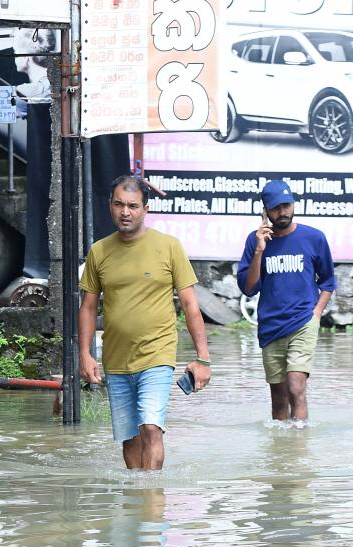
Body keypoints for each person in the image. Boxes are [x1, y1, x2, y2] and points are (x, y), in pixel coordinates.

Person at [78, 175, 211, 470]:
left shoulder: (169, 247)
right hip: (116, 359)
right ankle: (138, 495)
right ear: (110, 206)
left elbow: (190, 305)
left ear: (145, 209)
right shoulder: (99, 251)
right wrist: (85, 354)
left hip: (157, 355)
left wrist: (203, 357)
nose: (125, 212)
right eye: (119, 204)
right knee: (130, 439)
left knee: (151, 427)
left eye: (133, 206)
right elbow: (88, 307)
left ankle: (152, 497)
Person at [237, 179, 335, 422]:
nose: (282, 212)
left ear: (293, 205)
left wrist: (316, 313)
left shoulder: (314, 237)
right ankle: (281, 445)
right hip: (271, 325)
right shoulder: (254, 241)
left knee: (295, 386)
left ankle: (299, 443)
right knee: (279, 397)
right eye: (276, 208)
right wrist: (259, 250)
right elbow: (249, 288)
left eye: (286, 206)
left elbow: (328, 282)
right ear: (265, 211)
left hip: (303, 321)